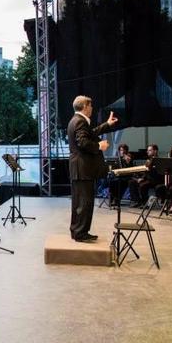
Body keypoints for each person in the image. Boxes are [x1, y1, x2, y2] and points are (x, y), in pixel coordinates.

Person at [67, 95, 118, 242]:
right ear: (84, 107)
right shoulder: (80, 122)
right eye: (90, 106)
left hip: (79, 168)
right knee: (84, 202)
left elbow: (91, 133)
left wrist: (107, 124)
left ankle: (77, 231)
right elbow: (83, 142)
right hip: (83, 168)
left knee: (79, 202)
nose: (92, 108)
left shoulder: (76, 120)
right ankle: (80, 233)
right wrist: (98, 146)